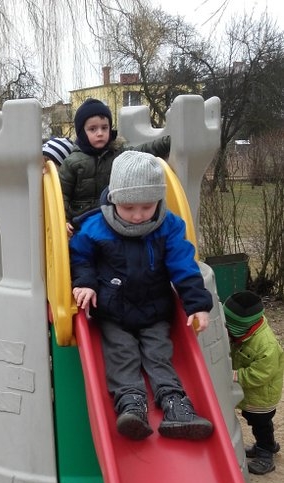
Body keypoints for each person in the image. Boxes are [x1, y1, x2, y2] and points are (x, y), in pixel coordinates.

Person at [70, 150, 214, 441]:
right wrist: (85, 283)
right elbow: (80, 258)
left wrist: (197, 304)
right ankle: (131, 404)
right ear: (114, 199)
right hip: (112, 311)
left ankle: (175, 405)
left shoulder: (169, 226)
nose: (138, 216)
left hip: (154, 310)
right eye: (128, 207)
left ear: (159, 200)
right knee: (121, 354)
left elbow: (184, 266)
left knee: (159, 354)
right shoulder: (95, 226)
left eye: (147, 207)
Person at [59, 97, 170, 232]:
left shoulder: (118, 153)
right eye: (92, 129)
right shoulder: (73, 162)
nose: (100, 133)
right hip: (83, 221)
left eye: (104, 128)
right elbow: (62, 194)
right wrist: (63, 220)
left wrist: (167, 142)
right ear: (82, 132)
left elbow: (142, 152)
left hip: (113, 218)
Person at [223, 291, 284, 475]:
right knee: (255, 421)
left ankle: (266, 454)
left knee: (261, 424)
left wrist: (236, 375)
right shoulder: (243, 336)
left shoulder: (266, 345)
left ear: (243, 325)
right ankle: (268, 444)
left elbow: (260, 375)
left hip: (262, 397)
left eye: (229, 325)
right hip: (252, 395)